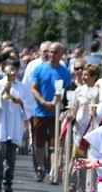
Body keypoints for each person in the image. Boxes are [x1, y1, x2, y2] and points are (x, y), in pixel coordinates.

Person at [0, 58, 35, 192]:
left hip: (14, 123)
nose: (12, 72)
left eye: (14, 69)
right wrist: (4, 89)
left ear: (18, 70)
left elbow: (30, 105)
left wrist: (21, 102)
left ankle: (8, 182)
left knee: (11, 156)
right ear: (4, 69)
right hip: (1, 123)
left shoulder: (23, 87)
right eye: (9, 69)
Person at [30, 42, 71, 182]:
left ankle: (53, 171)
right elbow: (33, 88)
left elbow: (68, 91)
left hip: (56, 113)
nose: (52, 55)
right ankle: (40, 167)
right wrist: (43, 102)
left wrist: (59, 104)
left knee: (55, 144)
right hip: (40, 112)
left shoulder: (65, 72)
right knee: (39, 143)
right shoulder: (39, 68)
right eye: (50, 52)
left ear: (61, 54)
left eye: (55, 52)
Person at [71, 63, 101, 192]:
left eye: (86, 75)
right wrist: (69, 114)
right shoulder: (79, 90)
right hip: (79, 129)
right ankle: (80, 189)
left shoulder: (99, 90)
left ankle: (91, 191)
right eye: (82, 74)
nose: (83, 77)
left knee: (92, 160)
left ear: (94, 76)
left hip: (93, 129)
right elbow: (74, 107)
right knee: (80, 159)